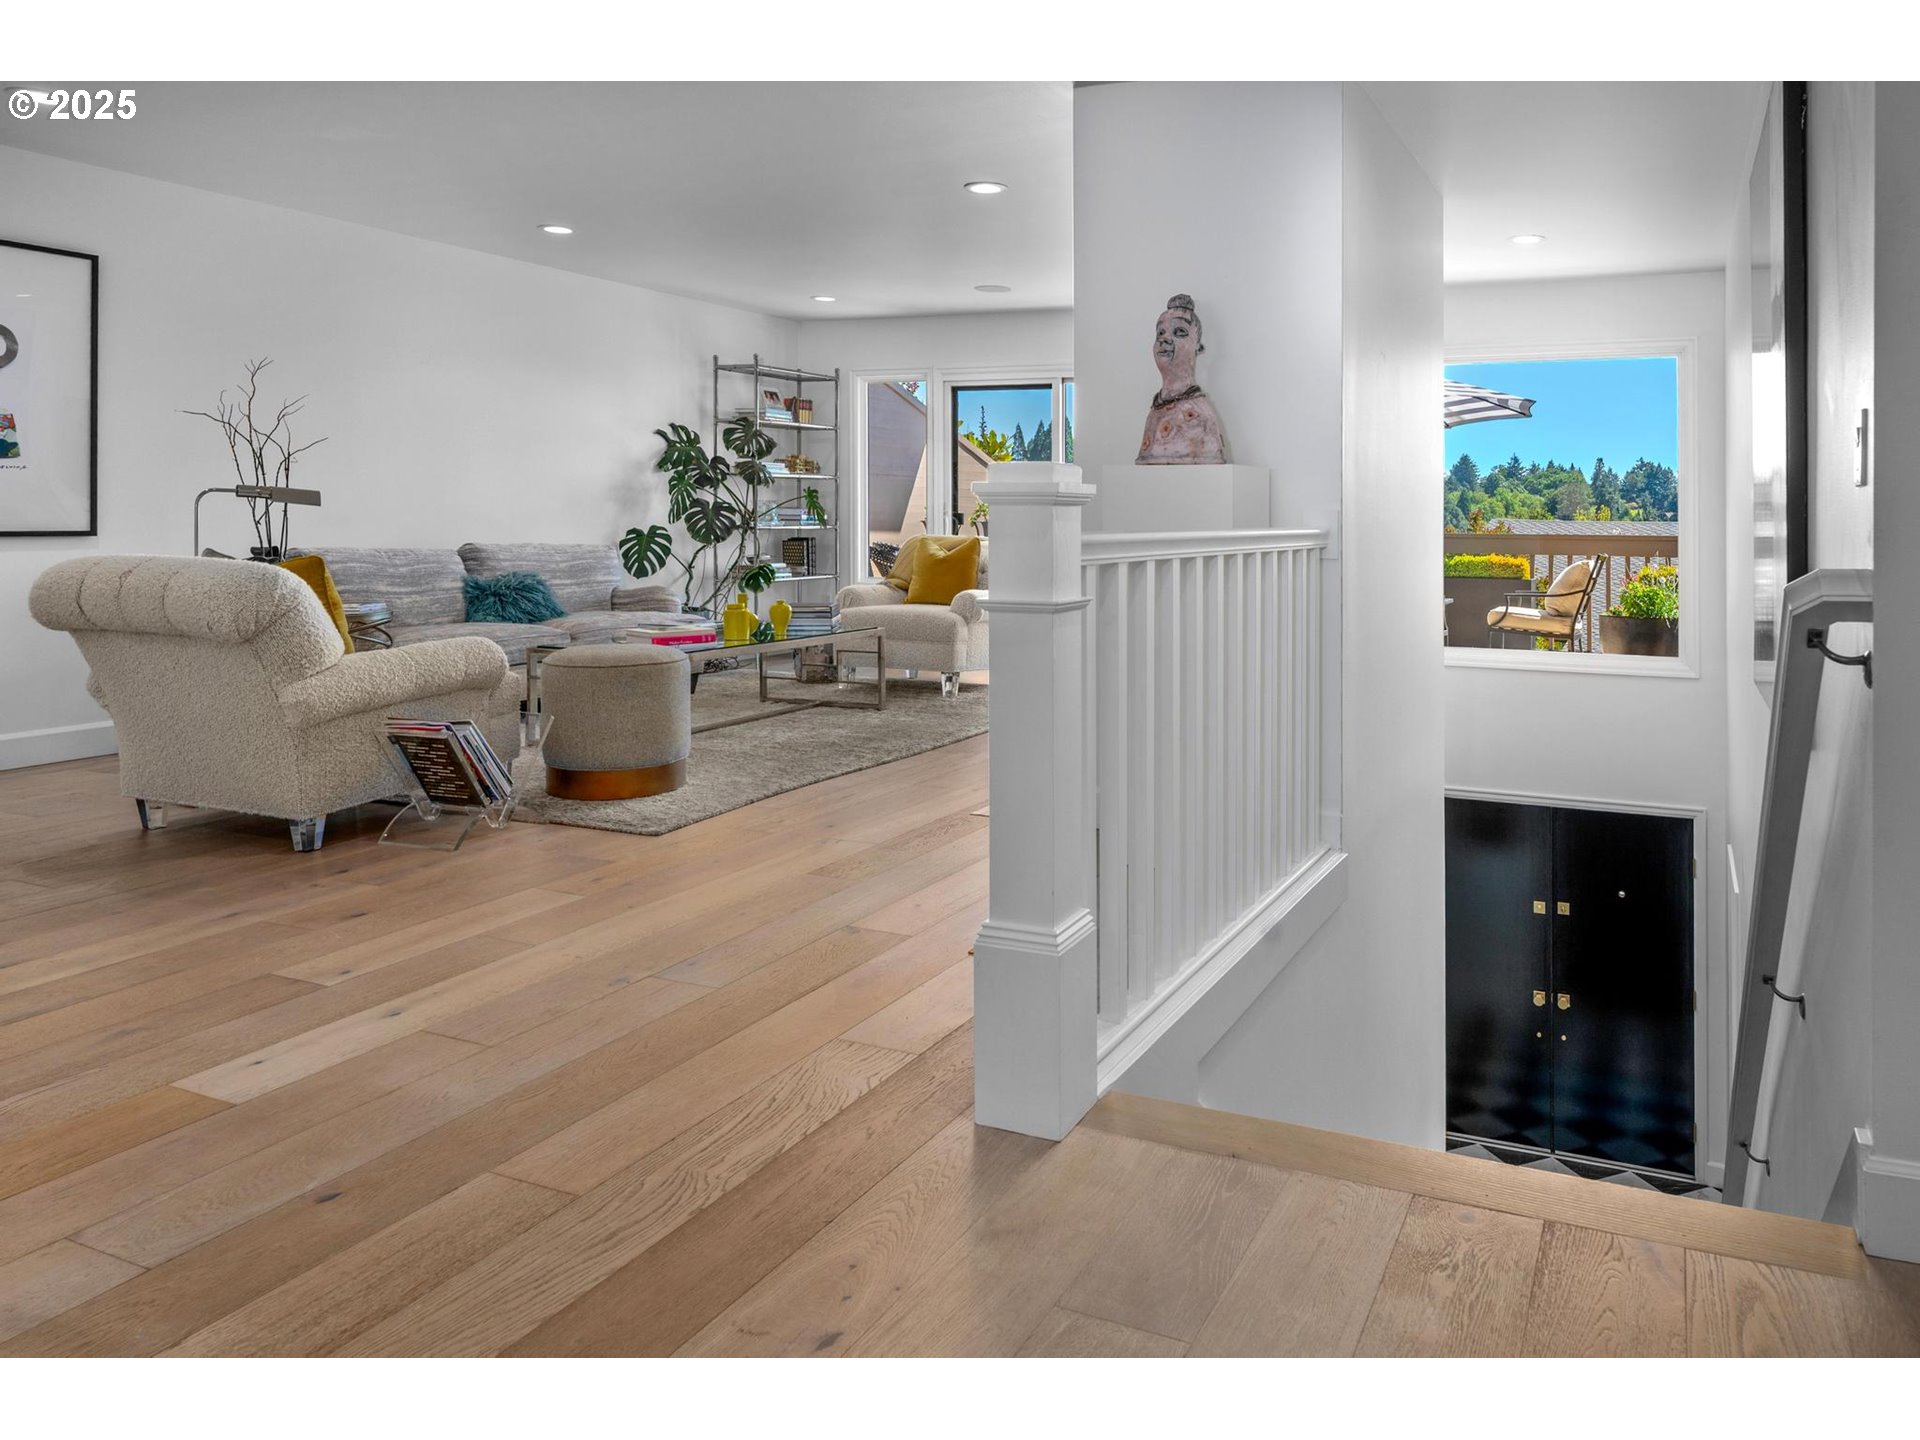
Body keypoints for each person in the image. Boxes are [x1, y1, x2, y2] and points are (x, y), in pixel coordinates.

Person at [1136, 293, 1228, 464]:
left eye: (1179, 332)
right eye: (1160, 333)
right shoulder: (1154, 413)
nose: (1164, 338)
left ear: (1198, 347)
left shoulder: (1202, 417)